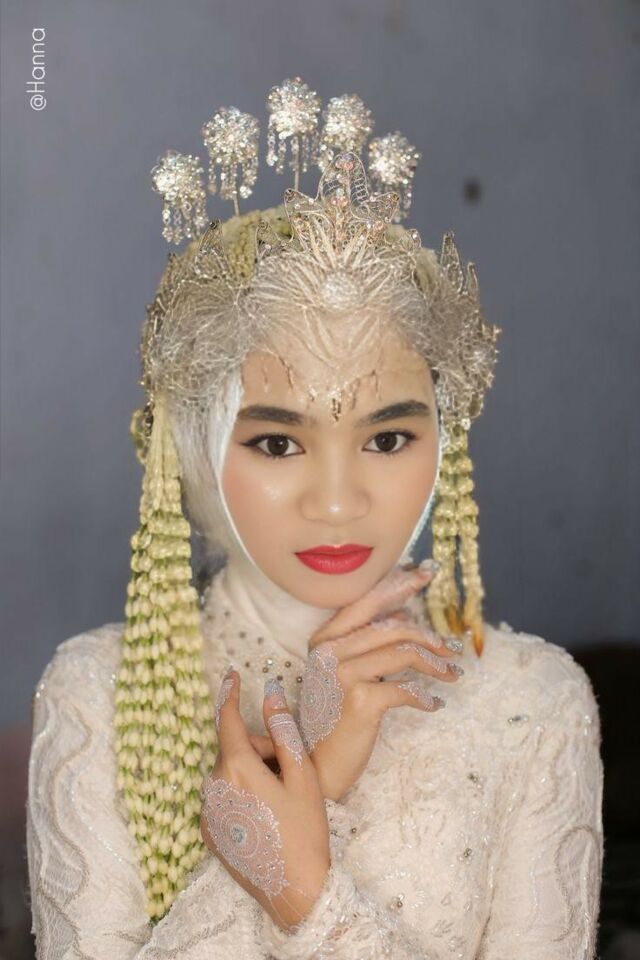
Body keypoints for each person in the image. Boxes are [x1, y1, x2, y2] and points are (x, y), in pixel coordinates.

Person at [26, 78, 604, 958]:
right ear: (193, 447)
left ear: (443, 441)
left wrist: (302, 888)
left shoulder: (529, 700)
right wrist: (312, 791)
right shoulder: (100, 696)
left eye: (388, 438)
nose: (338, 502)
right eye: (277, 444)